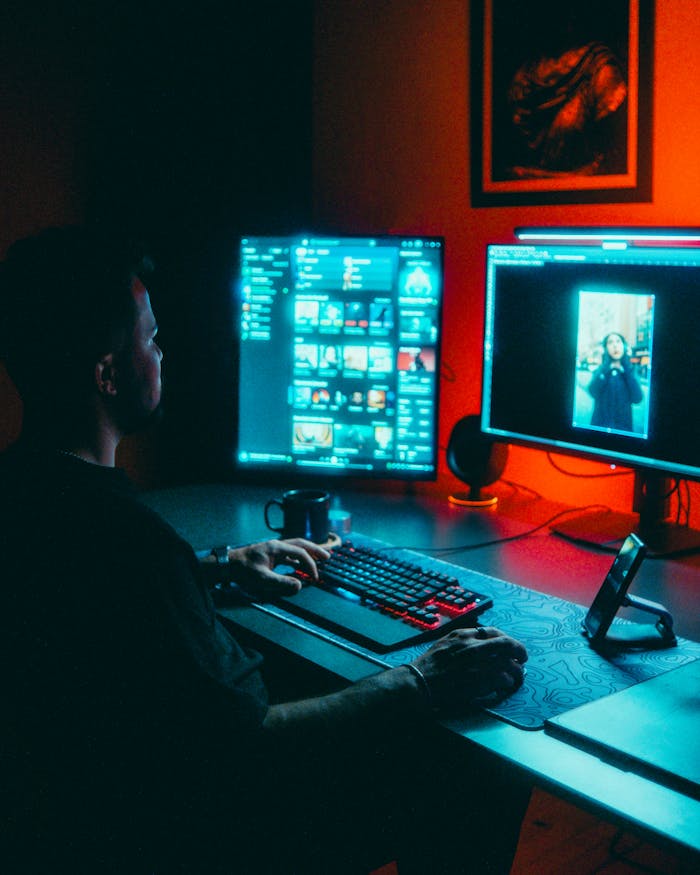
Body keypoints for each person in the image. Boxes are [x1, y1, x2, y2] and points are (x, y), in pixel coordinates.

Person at [0, 226, 530, 874]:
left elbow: (100, 595)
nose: (162, 354)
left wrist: (215, 566)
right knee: (479, 758)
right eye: (151, 338)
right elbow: (247, 748)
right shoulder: (131, 538)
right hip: (207, 830)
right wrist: (419, 677)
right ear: (107, 373)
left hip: (95, 813)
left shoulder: (23, 495)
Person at [588, 331, 643, 432]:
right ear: (605, 348)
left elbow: (637, 398)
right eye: (610, 342)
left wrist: (626, 369)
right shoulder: (600, 370)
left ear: (624, 346)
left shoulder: (630, 370)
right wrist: (605, 369)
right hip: (599, 428)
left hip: (623, 430)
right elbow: (592, 392)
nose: (615, 345)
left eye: (618, 341)